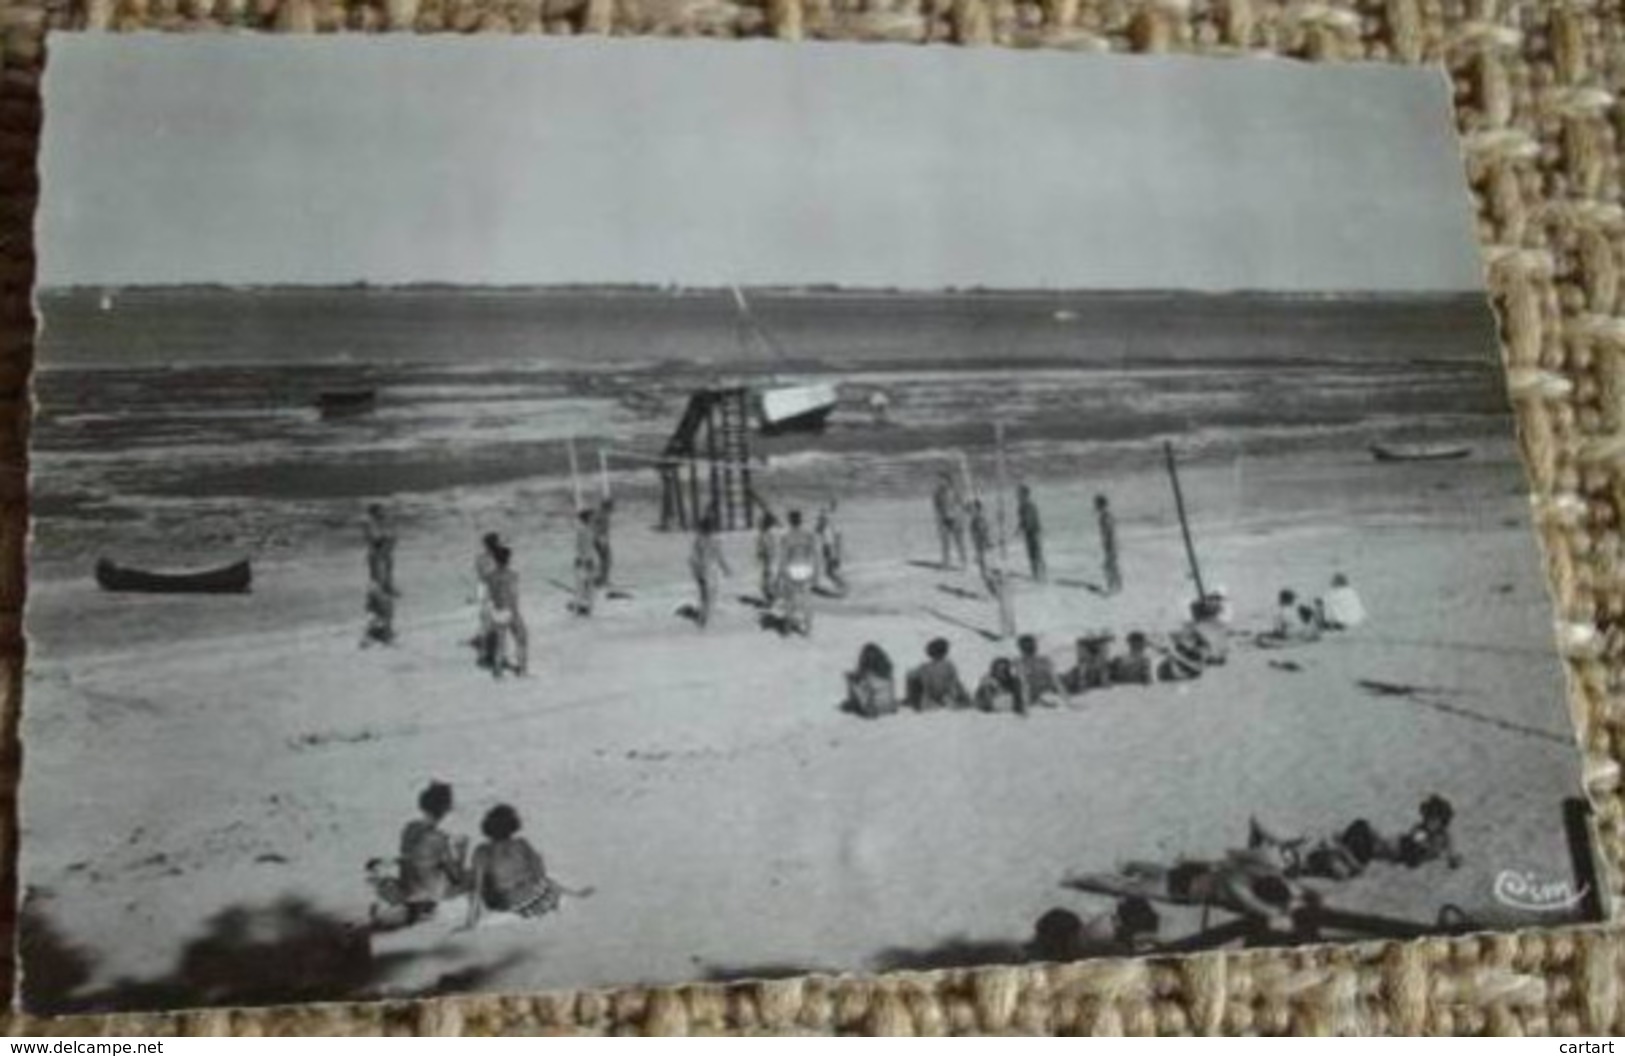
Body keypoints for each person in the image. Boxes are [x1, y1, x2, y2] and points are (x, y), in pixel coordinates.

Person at [465, 804, 560, 928]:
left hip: (502, 902)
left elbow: (477, 888)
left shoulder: (482, 851)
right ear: (512, 826)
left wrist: (471, 921)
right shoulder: (522, 844)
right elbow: (539, 875)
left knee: (474, 879)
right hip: (531, 896)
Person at [398, 781, 469, 921]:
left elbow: (406, 855)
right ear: (445, 810)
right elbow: (455, 877)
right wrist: (462, 852)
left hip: (409, 893)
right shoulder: (440, 838)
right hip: (430, 897)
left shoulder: (409, 829)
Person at [486, 543, 528, 677]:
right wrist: (516, 615)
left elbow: (491, 596)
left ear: (495, 560)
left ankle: (498, 672)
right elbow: (513, 596)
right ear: (508, 559)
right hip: (509, 611)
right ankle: (522, 670)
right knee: (522, 638)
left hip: (497, 612)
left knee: (500, 644)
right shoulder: (513, 575)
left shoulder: (490, 576)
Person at [1393, 794, 1462, 869]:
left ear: (1442, 822)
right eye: (1429, 819)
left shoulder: (1444, 835)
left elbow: (1450, 850)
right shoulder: (1422, 830)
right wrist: (1423, 844)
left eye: (1435, 820)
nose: (1431, 823)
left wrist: (1452, 858)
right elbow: (1416, 839)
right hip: (1408, 851)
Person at [778, 509, 819, 635]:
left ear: (790, 521)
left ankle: (788, 628)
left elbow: (784, 557)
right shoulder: (808, 535)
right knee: (806, 600)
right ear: (801, 520)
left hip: (792, 567)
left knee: (790, 600)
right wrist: (816, 573)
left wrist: (781, 574)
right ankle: (808, 629)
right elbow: (814, 555)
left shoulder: (786, 536)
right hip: (805, 568)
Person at [689, 512, 732, 629]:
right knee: (712, 595)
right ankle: (704, 618)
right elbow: (720, 556)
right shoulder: (716, 540)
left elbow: (693, 557)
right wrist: (726, 568)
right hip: (712, 570)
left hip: (701, 569)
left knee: (704, 595)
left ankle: (703, 618)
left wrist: (694, 570)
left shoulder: (698, 540)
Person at [906, 637, 972, 710]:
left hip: (931, 699)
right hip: (944, 697)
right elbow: (955, 683)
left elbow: (913, 677)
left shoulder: (924, 668)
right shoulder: (949, 666)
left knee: (911, 675)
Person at [845, 643, 898, 719]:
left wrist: (853, 681)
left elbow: (864, 695)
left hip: (873, 710)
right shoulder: (888, 675)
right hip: (890, 707)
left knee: (853, 682)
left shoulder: (868, 677)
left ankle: (853, 705)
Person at [1015, 634, 1063, 707]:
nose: (1028, 648)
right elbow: (1023, 683)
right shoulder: (1019, 663)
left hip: (1048, 693)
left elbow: (1055, 680)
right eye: (1025, 646)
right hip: (1031, 696)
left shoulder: (1044, 660)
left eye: (1031, 645)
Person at [570, 508, 601, 617]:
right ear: (587, 518)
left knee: (585, 586)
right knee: (585, 586)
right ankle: (583, 608)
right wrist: (585, 560)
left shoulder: (587, 529)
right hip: (586, 560)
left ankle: (583, 607)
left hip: (586, 559)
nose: (594, 518)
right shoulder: (584, 530)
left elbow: (587, 546)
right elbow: (582, 547)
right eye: (592, 516)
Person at [933, 473, 968, 570]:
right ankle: (946, 563)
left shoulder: (955, 490)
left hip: (956, 519)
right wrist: (939, 520)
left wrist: (959, 514)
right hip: (944, 520)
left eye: (941, 480)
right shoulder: (937, 493)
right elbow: (937, 507)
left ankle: (963, 562)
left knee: (959, 542)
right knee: (945, 542)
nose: (939, 482)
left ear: (947, 480)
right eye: (938, 480)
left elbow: (962, 503)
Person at [364, 503, 398, 597]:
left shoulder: (384, 522)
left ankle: (387, 589)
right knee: (376, 574)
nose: (383, 512)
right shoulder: (370, 523)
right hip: (376, 551)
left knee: (387, 571)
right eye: (381, 510)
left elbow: (392, 536)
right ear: (374, 512)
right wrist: (386, 537)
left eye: (383, 510)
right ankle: (378, 593)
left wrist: (390, 540)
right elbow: (374, 538)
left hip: (384, 550)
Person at [1017, 484, 1046, 583]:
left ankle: (1042, 574)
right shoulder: (1021, 507)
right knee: (1031, 554)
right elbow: (1022, 521)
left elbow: (1031, 520)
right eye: (1018, 494)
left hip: (1034, 532)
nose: (1018, 496)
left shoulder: (1030, 506)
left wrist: (1023, 528)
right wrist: (1019, 529)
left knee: (1037, 553)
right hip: (1029, 533)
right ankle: (1036, 574)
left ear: (1026, 495)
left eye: (1020, 494)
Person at [815, 505, 847, 596]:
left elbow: (834, 541)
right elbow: (818, 531)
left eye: (820, 519)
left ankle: (841, 585)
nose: (818, 520)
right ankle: (841, 585)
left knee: (829, 572)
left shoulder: (827, 528)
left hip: (829, 549)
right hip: (827, 549)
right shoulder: (827, 527)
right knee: (829, 572)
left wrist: (837, 556)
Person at [968, 499, 997, 595]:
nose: (971, 511)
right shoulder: (976, 520)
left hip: (983, 549)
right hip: (982, 548)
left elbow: (982, 535)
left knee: (985, 572)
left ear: (977, 509)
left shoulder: (978, 520)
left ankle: (995, 591)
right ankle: (994, 590)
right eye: (971, 509)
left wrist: (980, 551)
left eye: (973, 509)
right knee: (985, 572)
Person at [755, 512, 783, 609]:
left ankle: (772, 602)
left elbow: (762, 549)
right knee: (773, 583)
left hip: (771, 560)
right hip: (779, 559)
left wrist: (760, 555)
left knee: (766, 584)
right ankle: (774, 601)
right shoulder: (778, 531)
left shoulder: (766, 534)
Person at [1094, 494, 1120, 595]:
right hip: (1111, 545)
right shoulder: (1107, 516)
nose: (1095, 507)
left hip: (1111, 545)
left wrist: (1107, 544)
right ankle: (1116, 585)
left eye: (1096, 505)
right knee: (1111, 566)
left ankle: (1113, 587)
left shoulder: (1105, 517)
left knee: (1108, 566)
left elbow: (1108, 532)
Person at [361, 579, 396, 647]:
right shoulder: (374, 600)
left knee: (379, 623)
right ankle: (381, 635)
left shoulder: (384, 601)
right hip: (379, 616)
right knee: (375, 622)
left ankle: (384, 635)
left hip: (382, 617)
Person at [591, 498, 615, 589]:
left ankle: (603, 580)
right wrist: (600, 538)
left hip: (599, 539)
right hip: (599, 539)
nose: (613, 509)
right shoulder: (602, 515)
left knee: (605, 560)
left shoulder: (601, 514)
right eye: (611, 507)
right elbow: (594, 526)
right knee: (606, 560)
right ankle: (602, 581)